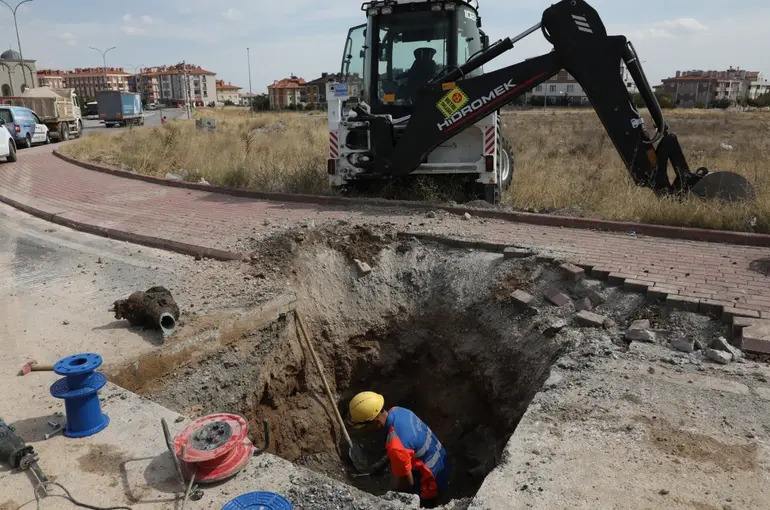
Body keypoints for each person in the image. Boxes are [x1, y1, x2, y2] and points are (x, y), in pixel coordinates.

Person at [348, 391, 451, 508]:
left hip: (432, 482)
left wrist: (391, 496)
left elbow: (406, 483)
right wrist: (383, 463)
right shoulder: (398, 411)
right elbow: (406, 445)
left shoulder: (396, 447)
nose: (365, 431)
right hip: (442, 459)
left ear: (376, 423)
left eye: (365, 427)